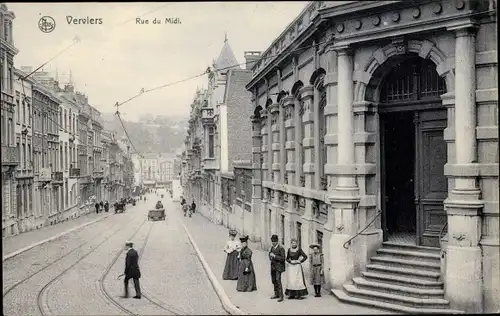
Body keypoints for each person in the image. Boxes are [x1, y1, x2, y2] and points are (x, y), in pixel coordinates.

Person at [269, 234, 286, 302]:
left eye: (274, 241)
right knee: (273, 280)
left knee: (278, 280)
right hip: (273, 266)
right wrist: (270, 256)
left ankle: (281, 296)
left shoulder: (281, 248)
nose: (273, 242)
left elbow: (283, 258)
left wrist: (274, 256)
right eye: (272, 241)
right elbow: (270, 254)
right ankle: (276, 294)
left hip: (279, 267)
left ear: (277, 241)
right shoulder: (272, 248)